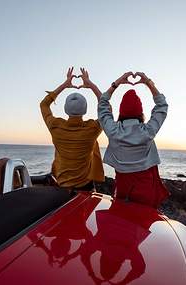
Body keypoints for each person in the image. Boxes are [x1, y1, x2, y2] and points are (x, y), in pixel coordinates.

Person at [97, 71, 169, 208]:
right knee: (143, 224)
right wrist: (148, 83)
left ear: (121, 112)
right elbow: (162, 106)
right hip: (146, 189)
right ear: (141, 113)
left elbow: (103, 103)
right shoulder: (148, 131)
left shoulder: (113, 131)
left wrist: (116, 83)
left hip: (123, 189)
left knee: (123, 222)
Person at [40, 67, 104, 189]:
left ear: (65, 109)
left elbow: (44, 104)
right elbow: (106, 109)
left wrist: (64, 85)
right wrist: (91, 85)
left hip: (61, 186)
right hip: (86, 186)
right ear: (85, 109)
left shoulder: (55, 126)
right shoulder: (92, 129)